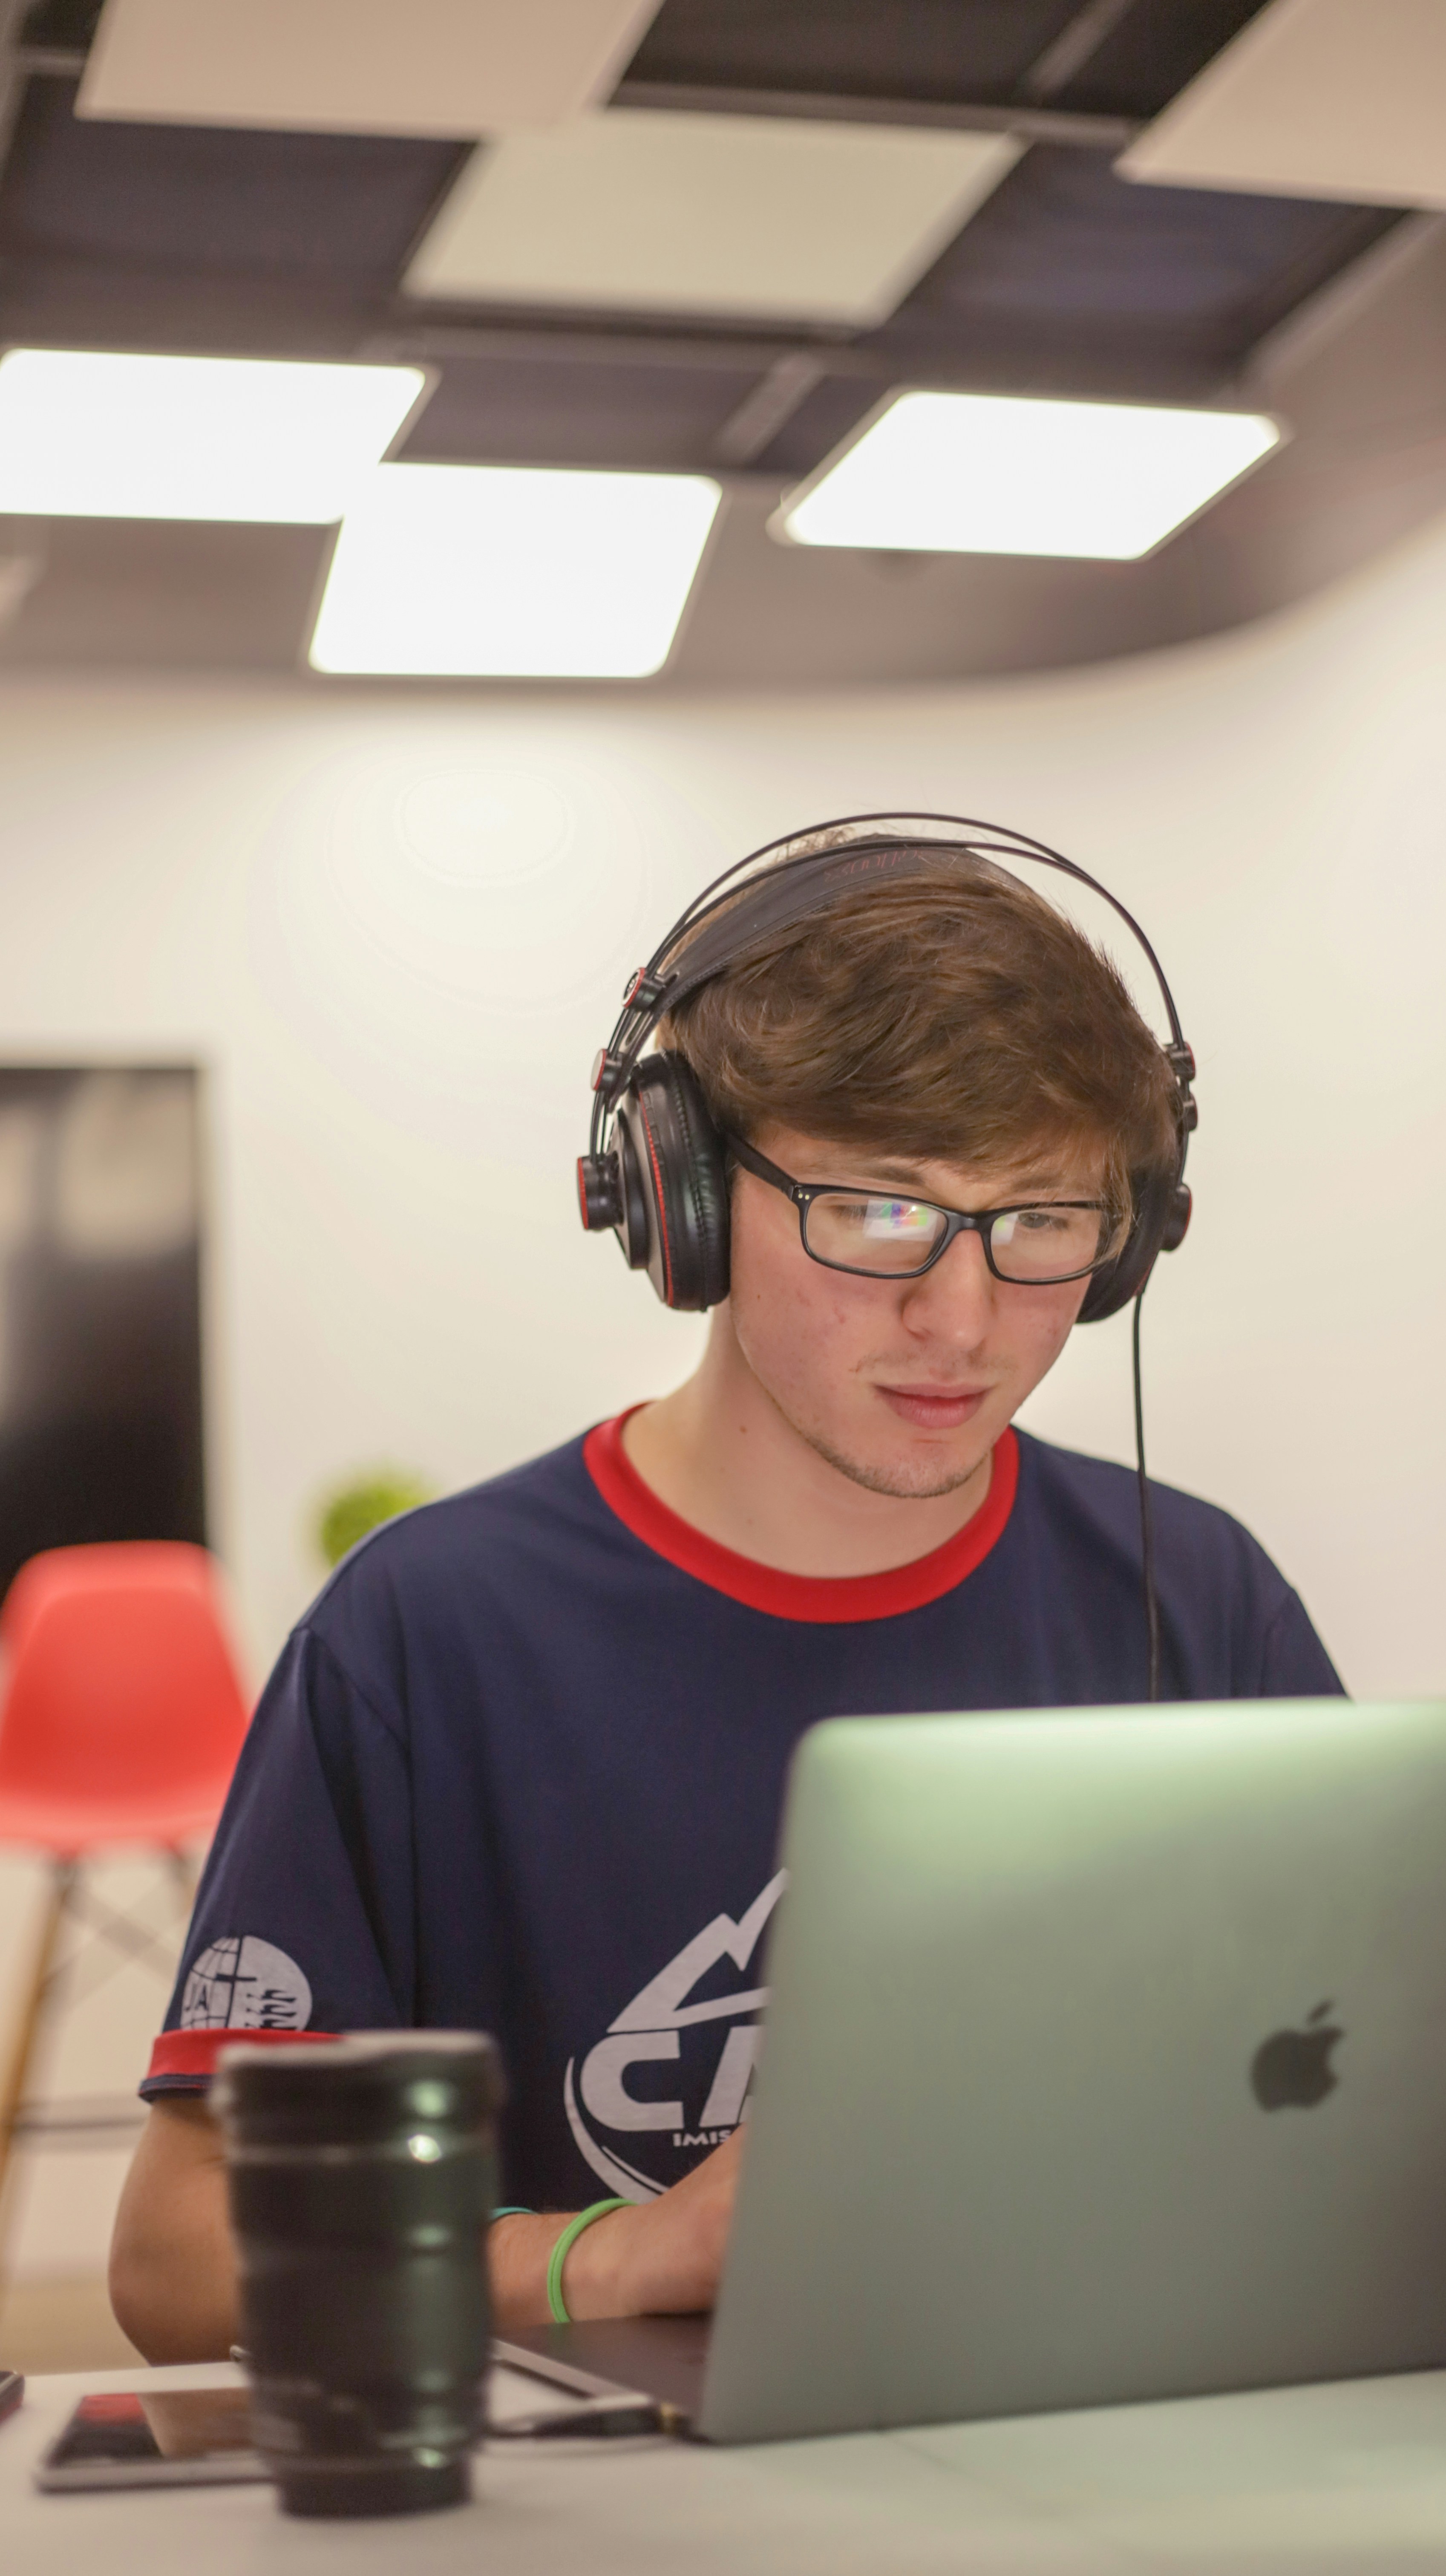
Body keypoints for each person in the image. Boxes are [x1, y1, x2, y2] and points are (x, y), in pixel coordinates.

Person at [109, 829, 1341, 2362]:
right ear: (677, 1202)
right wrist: (611, 2257)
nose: (960, 1320)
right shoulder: (424, 1632)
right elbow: (175, 2264)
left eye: (1036, 1223)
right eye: (877, 1209)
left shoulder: (1194, 1589)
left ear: (1125, 1242)